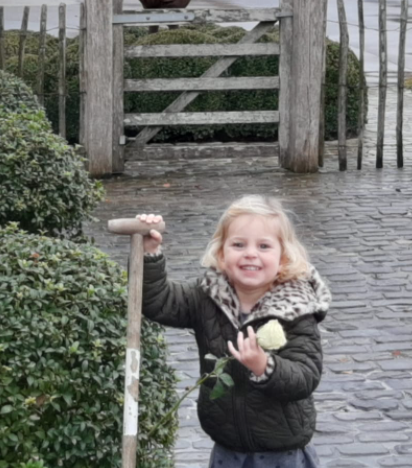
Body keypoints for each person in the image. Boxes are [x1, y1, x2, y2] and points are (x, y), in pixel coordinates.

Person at [138, 195, 331, 468]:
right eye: (238, 244)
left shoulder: (296, 309)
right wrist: (150, 253)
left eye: (264, 246)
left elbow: (305, 376)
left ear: (283, 257)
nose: (250, 253)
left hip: (280, 453)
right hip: (227, 449)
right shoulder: (206, 297)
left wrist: (264, 366)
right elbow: (159, 302)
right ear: (221, 253)